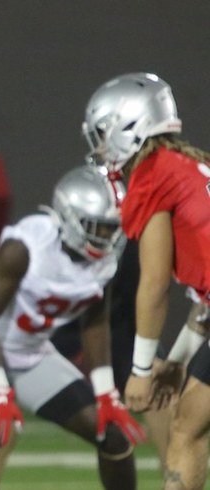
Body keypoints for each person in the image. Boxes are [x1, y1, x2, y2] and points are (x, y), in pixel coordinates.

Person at [0, 166, 144, 489]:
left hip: (30, 352)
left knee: (112, 434)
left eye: (112, 228)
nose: (107, 238)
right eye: (98, 228)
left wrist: (105, 392)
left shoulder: (106, 259)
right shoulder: (25, 247)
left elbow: (95, 320)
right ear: (70, 217)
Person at [82, 72, 210, 489]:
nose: (101, 147)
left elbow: (153, 284)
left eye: (104, 133)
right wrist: (175, 360)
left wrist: (140, 370)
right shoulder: (190, 166)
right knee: (188, 428)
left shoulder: (154, 175)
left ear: (130, 128)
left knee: (188, 431)